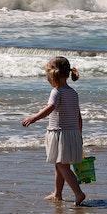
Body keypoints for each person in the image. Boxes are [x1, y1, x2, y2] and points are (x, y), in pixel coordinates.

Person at [21, 56, 86, 205]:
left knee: (62, 165)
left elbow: (50, 108)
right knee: (60, 165)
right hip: (72, 133)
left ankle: (79, 193)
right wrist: (79, 134)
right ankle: (57, 193)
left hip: (60, 133)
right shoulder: (73, 92)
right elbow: (78, 115)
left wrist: (34, 118)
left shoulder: (56, 92)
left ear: (52, 75)